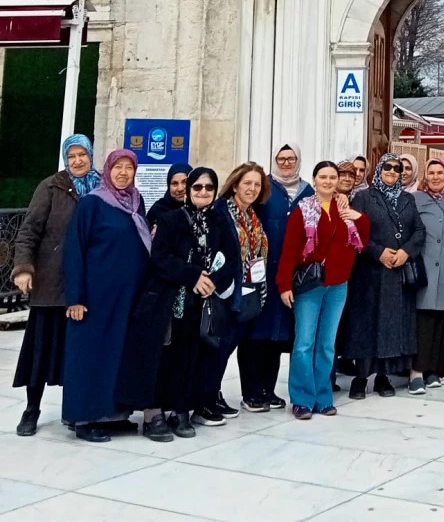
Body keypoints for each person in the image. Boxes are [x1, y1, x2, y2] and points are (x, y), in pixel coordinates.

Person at [115, 166, 238, 441]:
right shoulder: (170, 219)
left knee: (189, 356)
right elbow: (160, 257)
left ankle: (180, 409)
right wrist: (193, 276)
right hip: (167, 302)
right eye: (197, 187)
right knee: (160, 356)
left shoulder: (220, 221)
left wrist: (211, 282)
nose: (203, 192)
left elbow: (231, 259)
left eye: (208, 188)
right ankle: (153, 413)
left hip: (200, 304)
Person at [11, 133, 99, 437]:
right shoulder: (51, 186)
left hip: (86, 287)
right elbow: (29, 231)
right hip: (52, 285)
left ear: (91, 155)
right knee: (40, 353)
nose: (77, 161)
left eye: (82, 155)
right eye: (71, 156)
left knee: (75, 354)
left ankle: (74, 410)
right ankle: (31, 410)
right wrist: (24, 269)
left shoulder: (102, 187)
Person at [62, 148, 151, 443]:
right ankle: (84, 417)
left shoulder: (136, 204)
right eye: (118, 167)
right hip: (95, 299)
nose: (123, 173)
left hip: (127, 298)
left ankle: (113, 414)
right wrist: (75, 297)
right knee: (90, 355)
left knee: (118, 355)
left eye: (129, 168)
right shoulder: (93, 203)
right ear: (108, 170)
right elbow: (75, 250)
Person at [277, 160, 369, 419]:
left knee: (327, 344)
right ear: (315, 180)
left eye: (332, 177)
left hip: (338, 285)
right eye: (323, 177)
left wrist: (357, 217)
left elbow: (362, 238)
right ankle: (302, 399)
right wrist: (284, 284)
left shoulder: (344, 208)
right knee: (305, 342)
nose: (328, 181)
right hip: (310, 285)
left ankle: (323, 397)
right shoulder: (303, 210)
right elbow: (289, 249)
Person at [342, 153, 426, 399]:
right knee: (366, 326)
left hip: (396, 275)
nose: (392, 171)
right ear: (378, 169)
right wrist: (378, 253)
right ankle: (360, 378)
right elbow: (353, 232)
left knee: (390, 326)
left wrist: (405, 252)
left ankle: (382, 377)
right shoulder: (364, 198)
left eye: (397, 168)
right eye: (387, 167)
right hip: (369, 273)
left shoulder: (408, 199)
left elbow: (419, 230)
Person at [194, 162, 270, 425]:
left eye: (257, 185)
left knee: (225, 348)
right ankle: (202, 402)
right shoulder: (221, 212)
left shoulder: (251, 215)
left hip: (245, 292)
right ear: (235, 184)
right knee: (215, 348)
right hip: (222, 291)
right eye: (247, 183)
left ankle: (213, 395)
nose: (252, 188)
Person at [239, 144, 314, 412]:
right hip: (263, 273)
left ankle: (268, 390)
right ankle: (251, 392)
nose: (285, 163)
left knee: (278, 335)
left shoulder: (309, 191)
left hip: (293, 275)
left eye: (290, 158)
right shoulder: (264, 187)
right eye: (281, 158)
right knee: (255, 333)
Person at [410, 158, 444, 392]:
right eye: (430, 173)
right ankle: (416, 372)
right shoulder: (415, 199)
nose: (435, 177)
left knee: (443, 320)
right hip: (424, 265)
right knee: (423, 320)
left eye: (439, 172)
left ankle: (433, 370)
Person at [147, 163, 192, 231]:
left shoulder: (201, 209)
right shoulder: (158, 210)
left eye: (185, 182)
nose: (180, 189)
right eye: (174, 183)